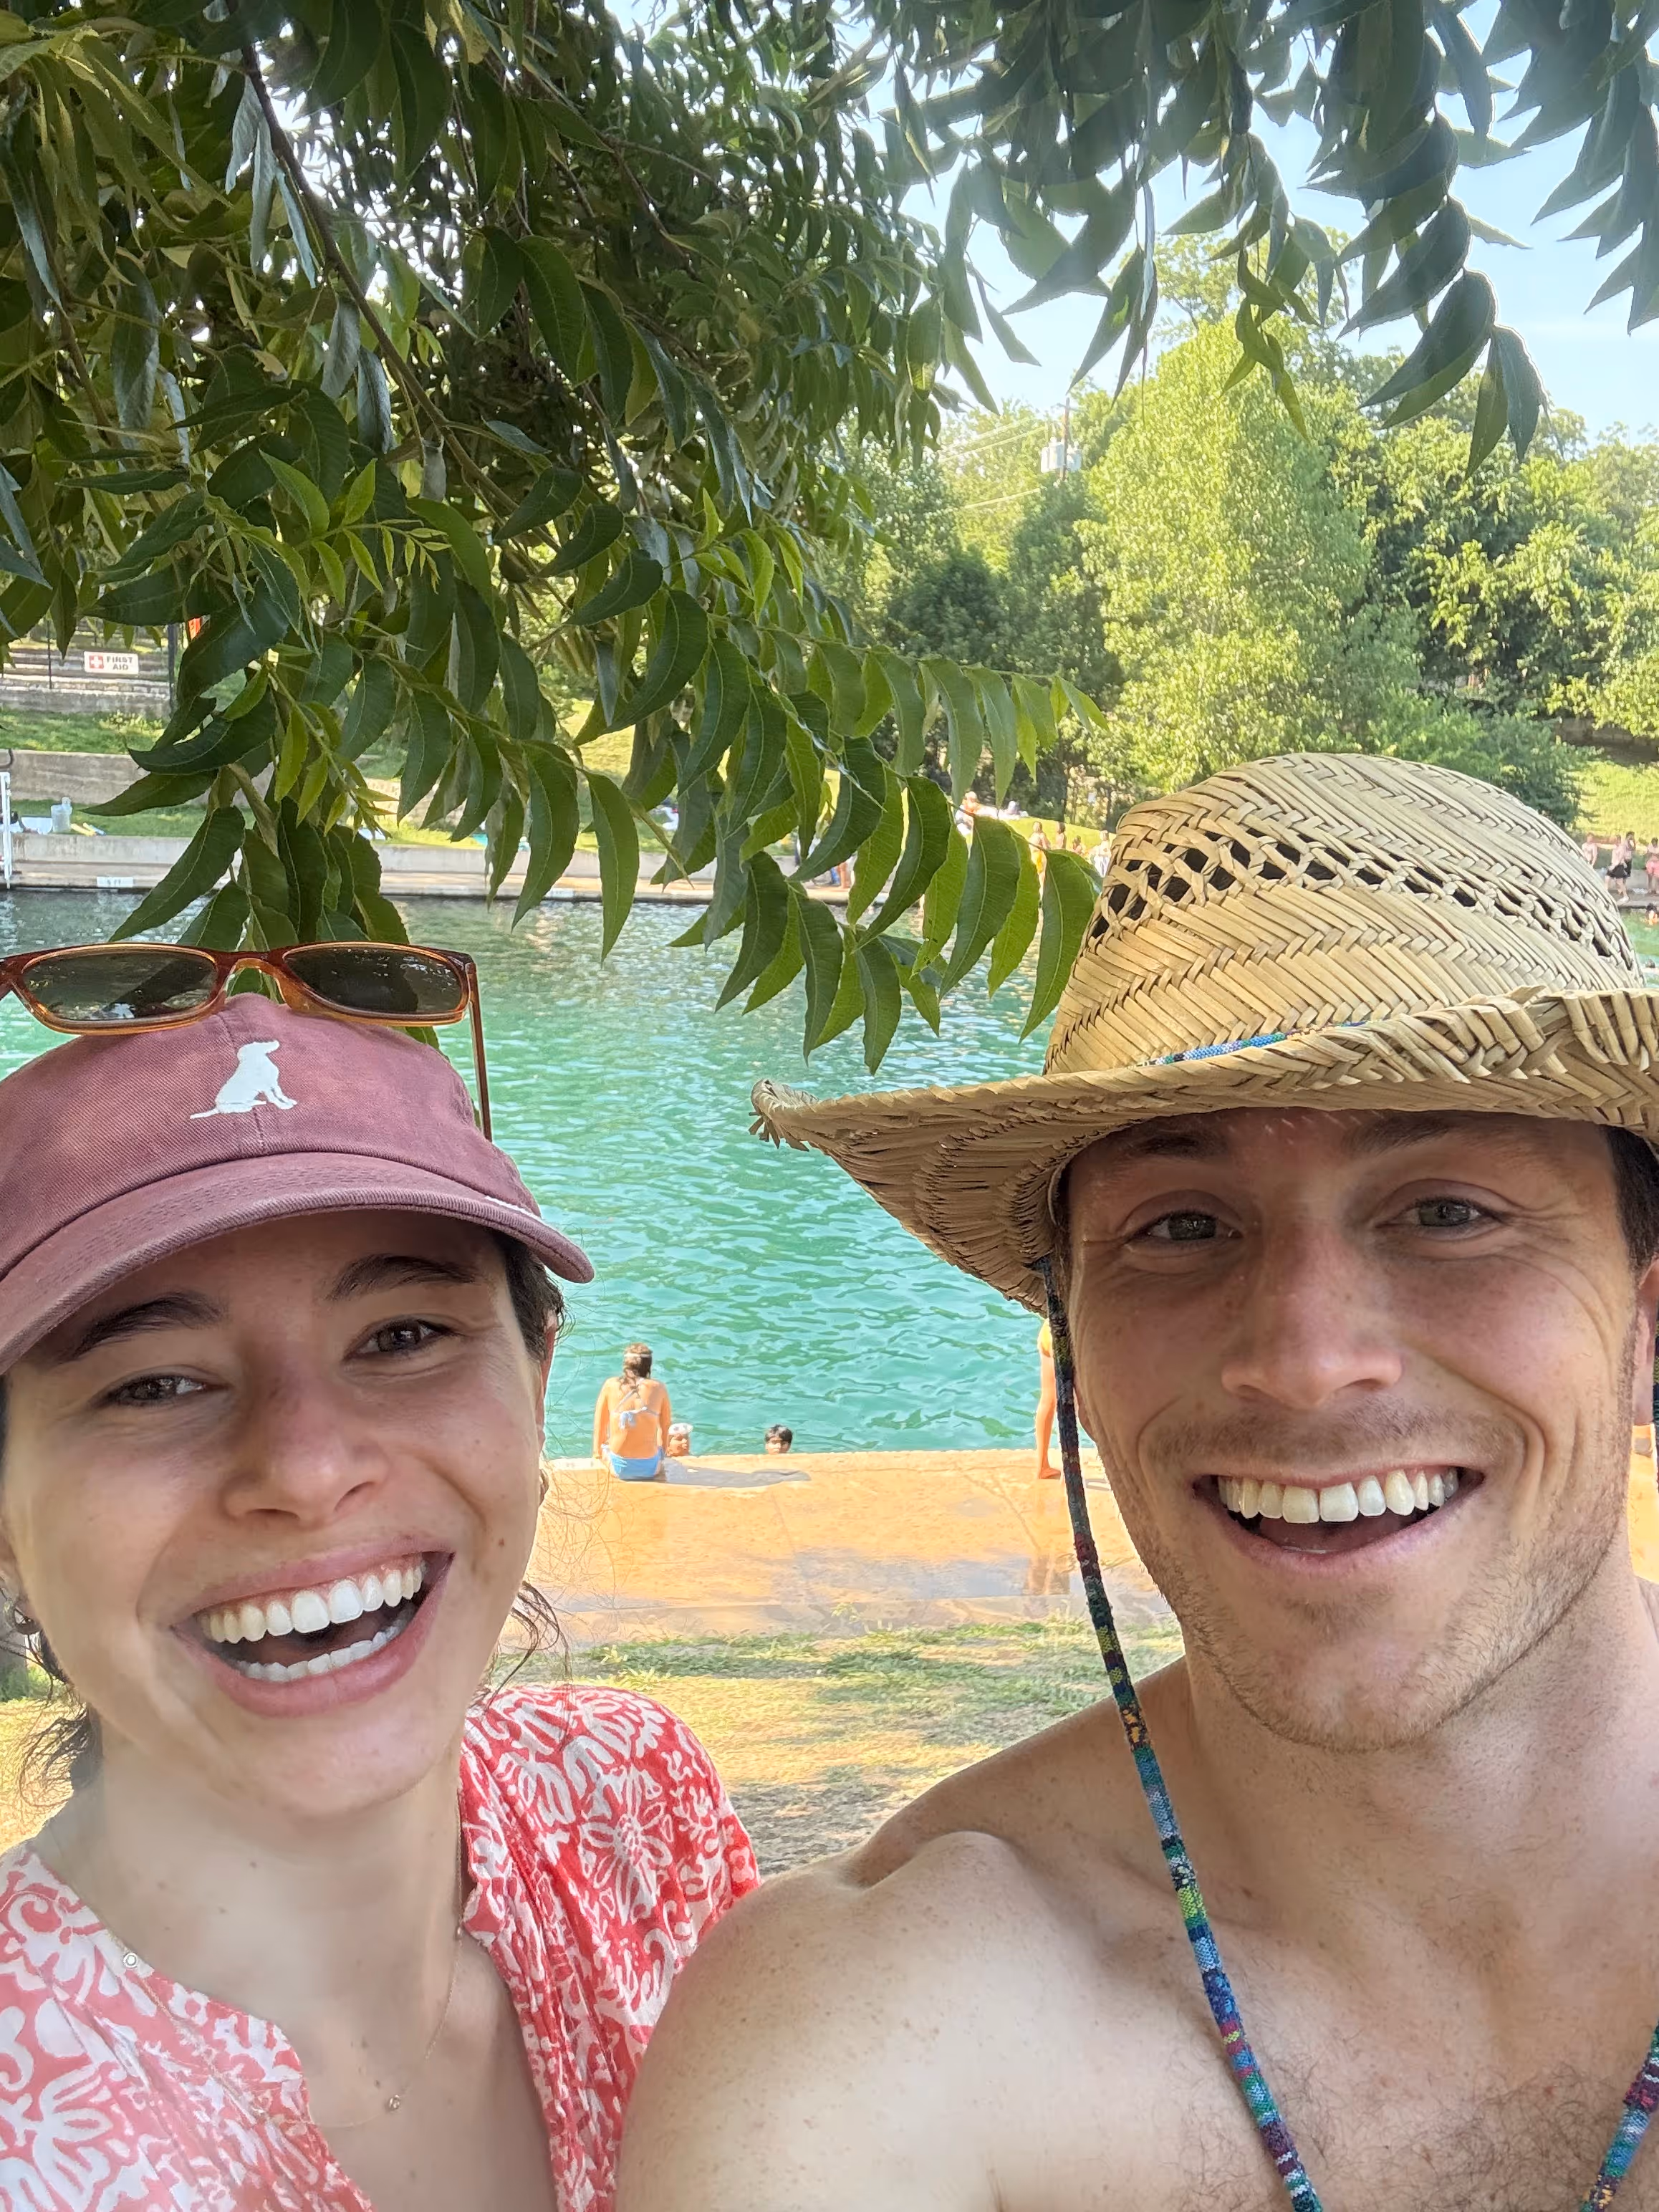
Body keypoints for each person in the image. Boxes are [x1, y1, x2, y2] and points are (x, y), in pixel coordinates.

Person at [622, 751, 1659, 2212]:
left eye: (1447, 1211)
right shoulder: (874, 2030)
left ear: (1648, 1317)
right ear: (1073, 1345)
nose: (1304, 1361)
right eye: (1181, 1226)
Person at [0, 984, 756, 2211]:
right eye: (151, 1385)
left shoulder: (629, 1804)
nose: (305, 1470)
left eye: (403, 1335)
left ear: (539, 1377)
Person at [593, 1342, 672, 1481]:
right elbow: (665, 1427)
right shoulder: (659, 1388)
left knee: (607, 1447)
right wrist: (661, 1453)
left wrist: (597, 1454)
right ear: (648, 1366)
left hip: (618, 1467)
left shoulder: (610, 1385)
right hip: (650, 1467)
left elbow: (600, 1424)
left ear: (626, 1365)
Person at [1033, 1318, 1058, 1479]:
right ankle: (1069, 1476)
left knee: (1047, 1401)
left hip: (1048, 1331)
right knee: (1074, 1408)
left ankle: (1042, 1466)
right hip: (1066, 1337)